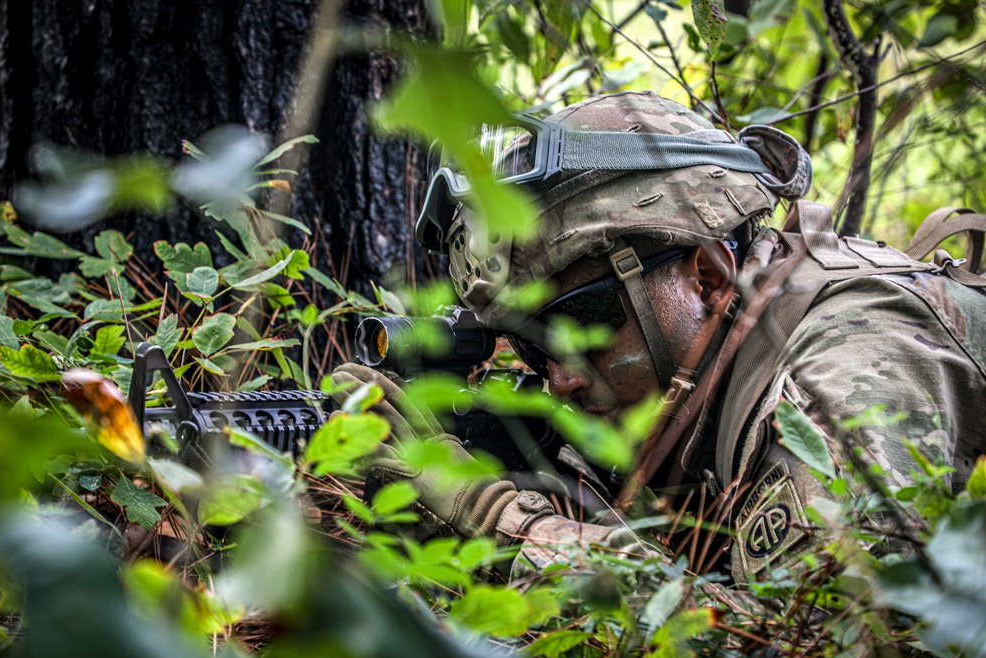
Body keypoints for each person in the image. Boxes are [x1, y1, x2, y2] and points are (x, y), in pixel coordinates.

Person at [333, 91, 986, 582]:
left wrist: (490, 515)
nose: (560, 378)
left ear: (706, 273)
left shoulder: (854, 355)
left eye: (585, 320)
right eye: (535, 343)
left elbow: (799, 638)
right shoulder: (692, 374)